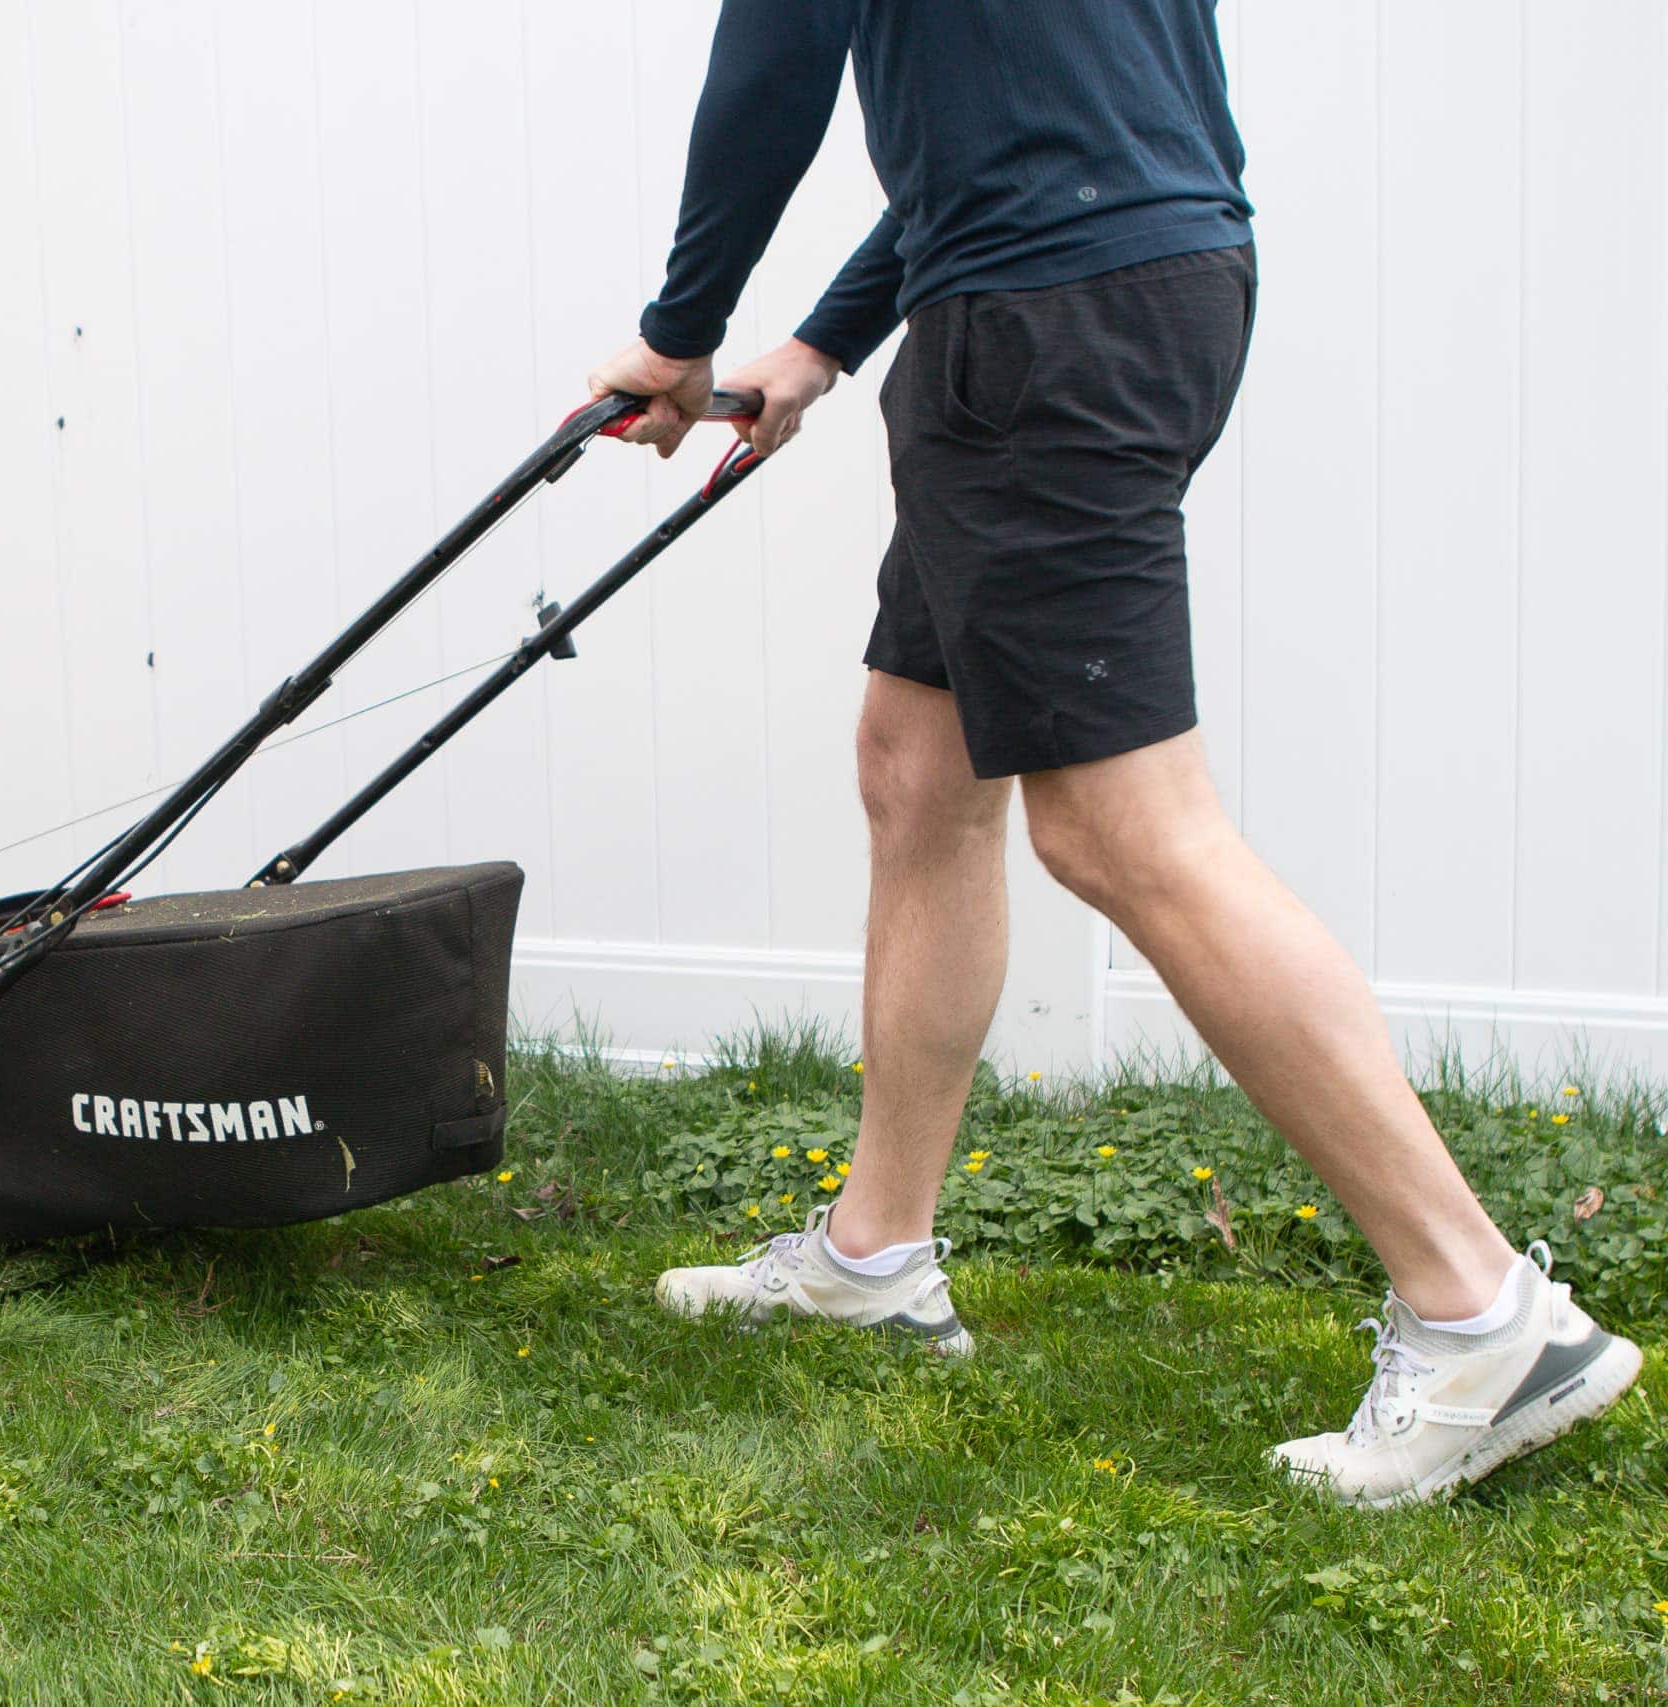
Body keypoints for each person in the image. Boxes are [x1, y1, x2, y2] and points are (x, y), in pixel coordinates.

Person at [605, 0, 1641, 1509]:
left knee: (1126, 830)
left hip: (1042, 325)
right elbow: (1046, 112)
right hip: (1116, 279)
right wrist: (828, 342)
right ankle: (875, 1259)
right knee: (918, 763)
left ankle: (1485, 1314)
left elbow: (778, 53)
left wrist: (678, 333)